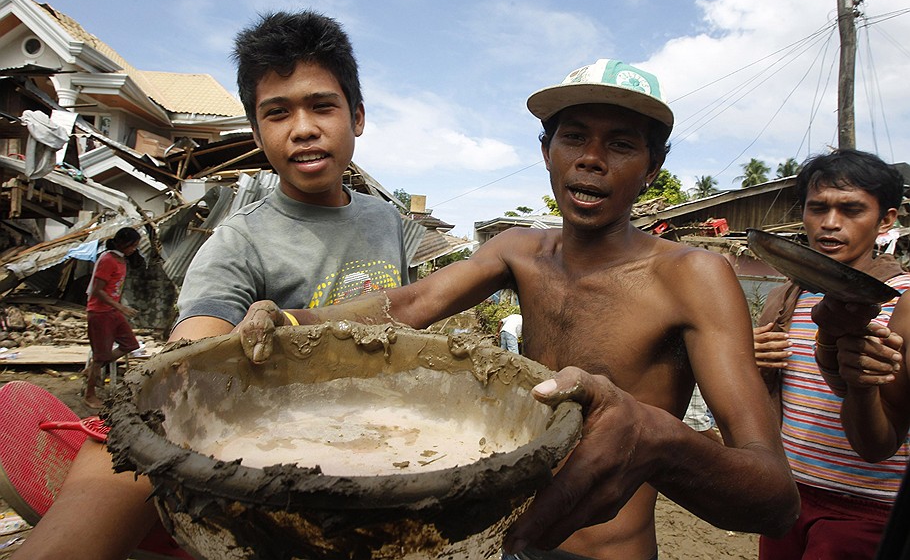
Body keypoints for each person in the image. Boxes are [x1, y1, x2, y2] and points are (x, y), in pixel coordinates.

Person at [241, 58, 800, 560]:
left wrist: (657, 439)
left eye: (622, 145)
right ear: (545, 152)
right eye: (574, 137)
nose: (591, 159)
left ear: (652, 168)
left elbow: (774, 500)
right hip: (502, 543)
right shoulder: (520, 251)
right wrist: (292, 321)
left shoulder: (693, 276)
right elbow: (413, 302)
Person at [12, 9, 409, 560]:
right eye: (277, 113)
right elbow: (192, 353)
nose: (303, 128)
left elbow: (409, 309)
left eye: (322, 105)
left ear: (357, 116)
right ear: (257, 131)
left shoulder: (385, 219)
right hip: (277, 445)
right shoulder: (237, 243)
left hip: (389, 437)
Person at [753, 149, 910, 559]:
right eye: (817, 208)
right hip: (788, 493)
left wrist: (861, 379)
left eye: (852, 209)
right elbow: (763, 402)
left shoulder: (904, 301)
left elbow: (884, 438)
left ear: (886, 220)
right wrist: (749, 362)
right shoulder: (785, 298)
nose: (830, 223)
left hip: (867, 505)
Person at [83, 226, 141, 410]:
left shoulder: (121, 260)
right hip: (100, 313)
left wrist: (117, 307)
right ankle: (89, 395)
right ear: (124, 244)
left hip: (112, 312)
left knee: (131, 345)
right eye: (133, 246)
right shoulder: (107, 260)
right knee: (100, 357)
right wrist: (120, 307)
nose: (134, 249)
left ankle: (93, 368)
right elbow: (97, 290)